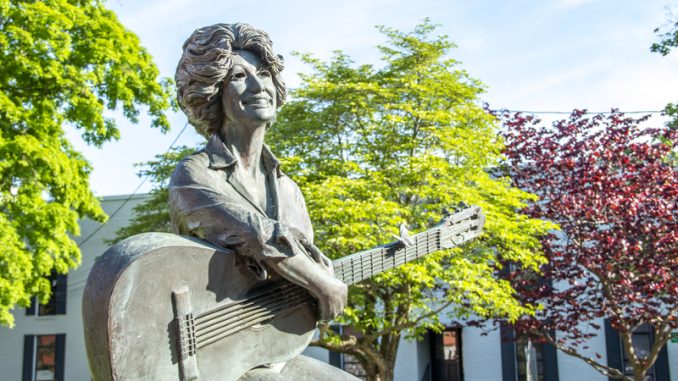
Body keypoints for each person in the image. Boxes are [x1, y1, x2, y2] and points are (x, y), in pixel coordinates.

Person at [170, 23, 354, 380]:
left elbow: (299, 281)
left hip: (272, 355)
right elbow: (257, 236)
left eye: (266, 73)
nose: (258, 85)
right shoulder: (194, 175)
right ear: (212, 92)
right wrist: (323, 284)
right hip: (211, 361)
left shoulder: (290, 191)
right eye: (239, 76)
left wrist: (317, 284)